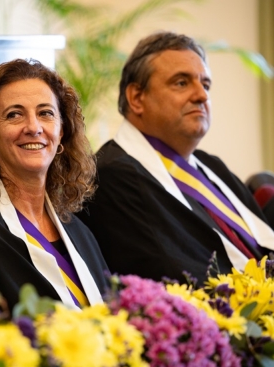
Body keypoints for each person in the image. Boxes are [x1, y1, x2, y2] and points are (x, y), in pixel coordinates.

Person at [77, 31, 274, 285]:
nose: (201, 95)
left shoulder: (210, 165)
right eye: (181, 83)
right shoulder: (111, 177)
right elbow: (175, 275)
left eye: (205, 84)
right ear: (137, 98)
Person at [0, 59, 110, 313]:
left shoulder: (78, 231)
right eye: (14, 114)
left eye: (46, 113)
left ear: (61, 133)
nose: (34, 128)